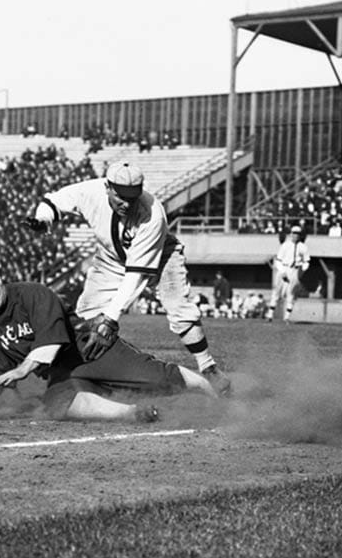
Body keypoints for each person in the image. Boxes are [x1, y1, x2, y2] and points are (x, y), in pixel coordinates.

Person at [22, 160, 231, 395]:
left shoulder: (152, 214)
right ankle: (94, 374)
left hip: (162, 256)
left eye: (132, 197)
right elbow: (55, 201)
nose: (126, 203)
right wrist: (43, 219)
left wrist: (111, 319)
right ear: (108, 188)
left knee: (179, 309)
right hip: (111, 258)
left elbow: (136, 275)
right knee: (87, 315)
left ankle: (208, 367)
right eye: (121, 196)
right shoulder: (90, 191)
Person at [0, 264, 218, 423]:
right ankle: (133, 413)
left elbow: (51, 341)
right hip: (61, 371)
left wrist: (23, 369)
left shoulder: (31, 294)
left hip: (90, 350)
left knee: (158, 379)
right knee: (57, 404)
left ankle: (212, 390)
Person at [268, 224, 309, 323]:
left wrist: (302, 270)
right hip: (284, 268)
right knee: (277, 292)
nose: (295, 236)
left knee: (291, 294)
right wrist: (282, 272)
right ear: (291, 234)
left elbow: (306, 261)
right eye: (294, 233)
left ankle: (287, 317)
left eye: (298, 234)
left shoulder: (303, 247)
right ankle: (270, 315)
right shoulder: (285, 245)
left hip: (294, 270)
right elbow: (278, 260)